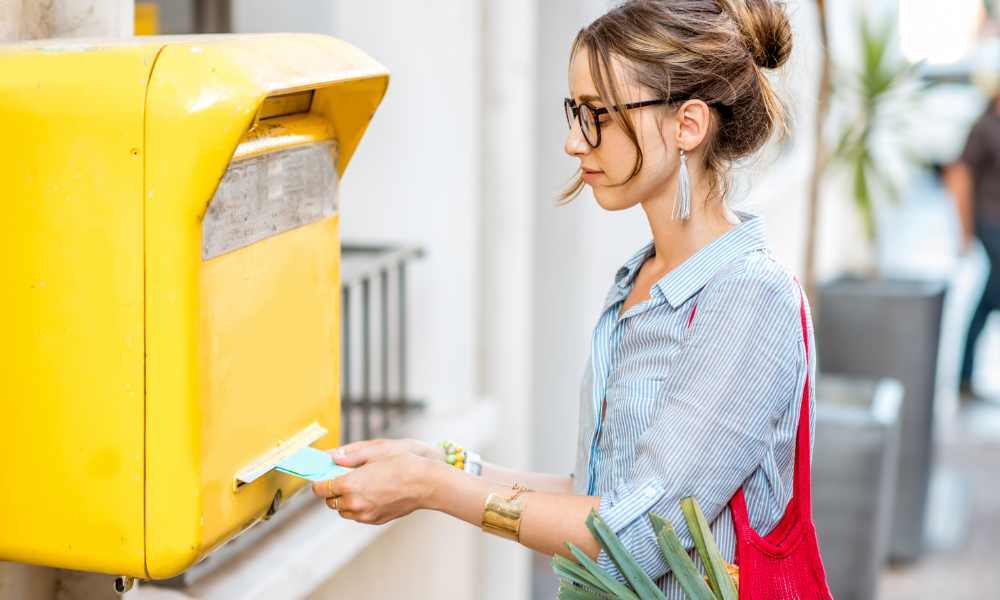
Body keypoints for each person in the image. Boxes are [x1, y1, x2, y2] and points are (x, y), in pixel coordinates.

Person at [313, 1, 831, 596]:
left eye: (597, 115)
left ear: (688, 125)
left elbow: (631, 535)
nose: (572, 141)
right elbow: (604, 494)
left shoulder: (748, 299)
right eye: (574, 111)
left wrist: (432, 489)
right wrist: (444, 466)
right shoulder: (640, 280)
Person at [946, 96, 1000, 401]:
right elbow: (958, 175)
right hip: (989, 222)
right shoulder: (985, 128)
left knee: (988, 299)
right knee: (993, 292)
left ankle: (965, 375)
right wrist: (963, 230)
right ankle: (965, 375)